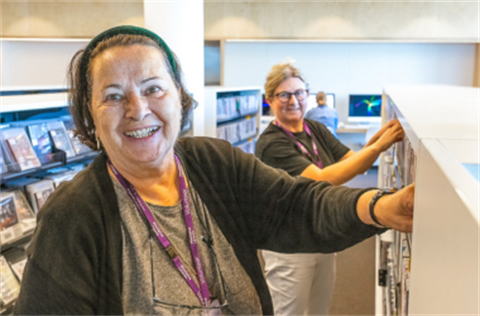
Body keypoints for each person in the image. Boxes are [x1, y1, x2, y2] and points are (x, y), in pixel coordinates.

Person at [14, 26, 414, 316]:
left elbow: (296, 206)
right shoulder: (73, 215)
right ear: (90, 117)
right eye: (114, 96)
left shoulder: (213, 164)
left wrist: (381, 207)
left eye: (154, 88)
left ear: (179, 97)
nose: (138, 109)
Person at [255, 61, 404, 316]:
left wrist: (377, 141)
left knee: (319, 311)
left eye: (299, 93)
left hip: (322, 234)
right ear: (269, 99)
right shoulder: (271, 143)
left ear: (308, 96)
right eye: (284, 95)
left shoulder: (315, 129)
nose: (293, 101)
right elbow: (321, 178)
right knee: (288, 313)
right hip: (289, 245)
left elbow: (351, 162)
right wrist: (378, 148)